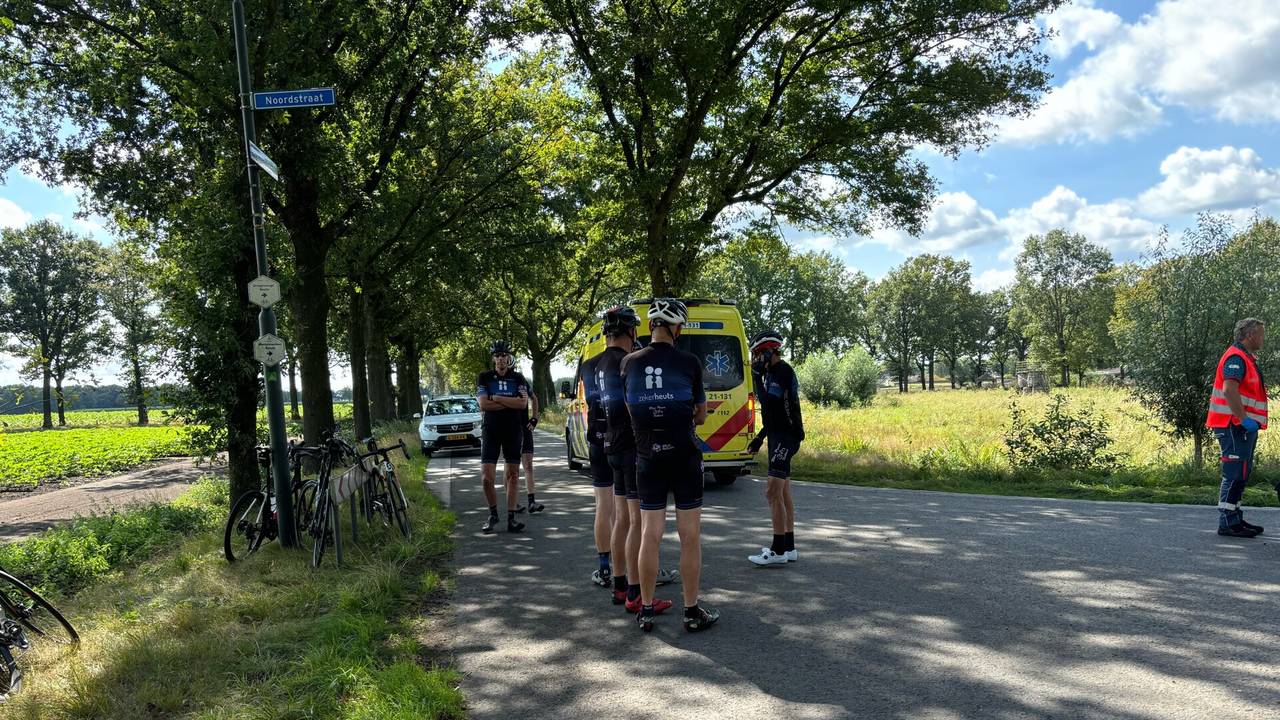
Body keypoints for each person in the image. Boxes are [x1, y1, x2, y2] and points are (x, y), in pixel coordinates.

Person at [623, 298, 719, 633]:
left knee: (650, 534)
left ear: (651, 327)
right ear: (677, 329)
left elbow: (629, 408)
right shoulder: (690, 362)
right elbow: (702, 414)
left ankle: (646, 610)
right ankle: (691, 612)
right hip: (683, 455)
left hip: (647, 457)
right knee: (690, 536)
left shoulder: (629, 364)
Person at [594, 305, 677, 611]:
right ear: (631, 331)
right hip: (631, 448)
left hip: (611, 446)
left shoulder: (599, 362)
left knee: (620, 520)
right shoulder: (626, 362)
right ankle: (635, 594)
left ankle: (618, 585)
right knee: (638, 523)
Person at [744, 330, 804, 566]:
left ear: (770, 352)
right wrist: (759, 438)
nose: (756, 361)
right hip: (778, 435)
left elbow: (769, 403)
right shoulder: (772, 371)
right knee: (784, 493)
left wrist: (757, 379)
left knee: (772, 493)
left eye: (759, 355)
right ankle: (788, 547)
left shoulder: (782, 372)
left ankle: (777, 550)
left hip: (786, 438)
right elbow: (772, 415)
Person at [1207, 318, 1268, 538]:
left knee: (1241, 474)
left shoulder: (1246, 358)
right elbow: (1229, 390)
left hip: (1241, 426)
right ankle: (1227, 522)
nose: (1263, 338)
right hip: (1233, 425)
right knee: (1234, 474)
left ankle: (1235, 517)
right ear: (1249, 335)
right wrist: (1242, 419)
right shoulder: (1236, 358)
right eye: (1261, 334)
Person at [475, 340, 529, 534]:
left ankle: (511, 518)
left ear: (509, 357)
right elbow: (483, 405)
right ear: (493, 358)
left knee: (512, 475)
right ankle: (493, 514)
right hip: (491, 430)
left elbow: (523, 404)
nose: (501, 359)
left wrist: (496, 398)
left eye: (504, 355)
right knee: (486, 478)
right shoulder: (485, 377)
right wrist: (510, 402)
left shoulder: (519, 378)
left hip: (513, 430)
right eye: (497, 356)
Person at [582, 338, 616, 587]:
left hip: (597, 439)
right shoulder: (630, 361)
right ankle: (641, 569)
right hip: (624, 442)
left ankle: (604, 568)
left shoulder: (588, 364)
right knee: (633, 512)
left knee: (603, 506)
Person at [518, 386, 546, 514]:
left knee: (528, 465)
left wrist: (534, 418)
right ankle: (512, 503)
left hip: (525, 428)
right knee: (511, 468)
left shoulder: (521, 380)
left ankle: (531, 502)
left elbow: (534, 398)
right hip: (509, 428)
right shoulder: (499, 381)